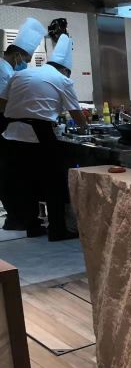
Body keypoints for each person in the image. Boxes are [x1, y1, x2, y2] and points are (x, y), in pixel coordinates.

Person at [0, 34, 87, 240]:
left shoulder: (20, 75)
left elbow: (2, 104)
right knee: (54, 181)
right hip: (38, 133)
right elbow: (77, 115)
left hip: (11, 134)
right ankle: (58, 229)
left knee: (25, 181)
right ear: (65, 70)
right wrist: (85, 127)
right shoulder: (63, 80)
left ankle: (33, 227)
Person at [0, 17, 46, 231]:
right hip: (4, 125)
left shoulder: (8, 70)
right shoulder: (3, 71)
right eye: (26, 58)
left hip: (7, 125)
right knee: (13, 176)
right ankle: (18, 218)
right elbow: (3, 104)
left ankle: (18, 217)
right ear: (17, 55)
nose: (26, 63)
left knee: (12, 175)